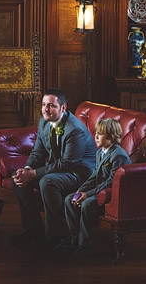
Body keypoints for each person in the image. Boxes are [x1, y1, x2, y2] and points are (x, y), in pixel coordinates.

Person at [10, 88, 96, 249]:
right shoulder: (44, 121)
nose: (45, 109)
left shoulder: (75, 130)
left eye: (51, 106)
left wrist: (34, 174)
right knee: (17, 177)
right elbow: (38, 152)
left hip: (80, 173)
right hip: (60, 169)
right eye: (43, 105)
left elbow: (67, 163)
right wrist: (27, 169)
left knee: (48, 182)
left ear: (63, 108)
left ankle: (56, 238)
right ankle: (33, 229)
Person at [64, 118, 131, 257]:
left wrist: (87, 195)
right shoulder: (100, 152)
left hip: (112, 195)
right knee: (68, 200)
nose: (95, 136)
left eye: (100, 133)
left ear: (111, 135)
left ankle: (85, 245)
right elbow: (94, 176)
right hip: (99, 190)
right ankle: (75, 240)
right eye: (96, 133)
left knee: (87, 204)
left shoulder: (118, 155)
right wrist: (80, 190)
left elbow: (110, 183)